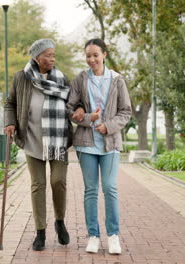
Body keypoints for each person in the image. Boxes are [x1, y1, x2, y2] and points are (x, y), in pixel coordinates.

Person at [4, 39, 80, 251]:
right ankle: (40, 232)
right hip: (32, 139)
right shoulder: (22, 77)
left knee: (58, 181)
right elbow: (10, 102)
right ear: (37, 58)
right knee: (38, 185)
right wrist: (9, 122)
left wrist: (81, 109)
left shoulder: (61, 77)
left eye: (53, 55)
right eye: (48, 55)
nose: (52, 59)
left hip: (57, 140)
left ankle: (59, 221)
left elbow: (74, 101)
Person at [67, 38, 132, 255]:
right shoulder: (80, 79)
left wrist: (109, 126)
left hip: (110, 144)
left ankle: (113, 236)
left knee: (110, 188)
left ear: (104, 54)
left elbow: (126, 112)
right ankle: (93, 236)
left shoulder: (117, 80)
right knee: (91, 191)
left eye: (95, 55)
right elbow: (71, 109)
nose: (91, 59)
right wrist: (87, 117)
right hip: (86, 144)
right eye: (88, 56)